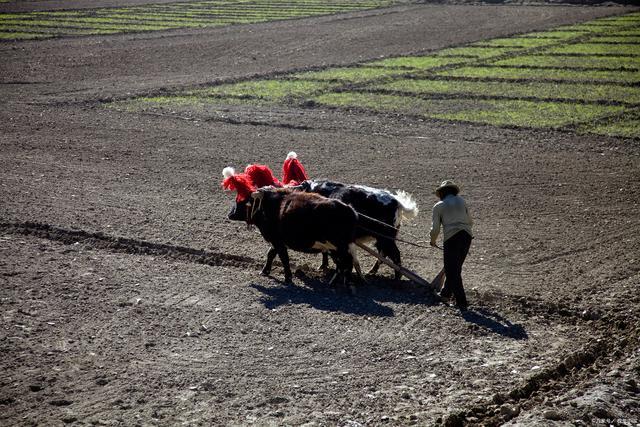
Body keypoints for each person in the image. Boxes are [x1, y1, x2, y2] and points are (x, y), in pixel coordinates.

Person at [429, 180, 473, 310]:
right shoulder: (462, 201)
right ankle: (445, 294)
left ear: (441, 193)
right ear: (453, 191)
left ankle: (461, 302)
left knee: (451, 270)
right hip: (467, 236)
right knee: (455, 268)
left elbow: (435, 229)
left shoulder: (439, 206)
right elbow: (470, 221)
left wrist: (432, 241)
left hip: (451, 238)